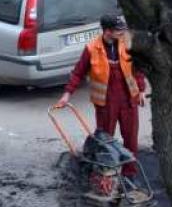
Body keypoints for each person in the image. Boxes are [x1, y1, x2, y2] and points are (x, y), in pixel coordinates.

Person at [56, 14, 147, 177]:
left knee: (131, 139)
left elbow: (137, 68)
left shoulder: (126, 43)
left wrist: (141, 90)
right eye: (118, 30)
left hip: (128, 100)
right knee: (104, 141)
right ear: (107, 31)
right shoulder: (92, 49)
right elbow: (78, 73)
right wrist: (67, 94)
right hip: (105, 103)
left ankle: (130, 174)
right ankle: (106, 175)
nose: (122, 33)